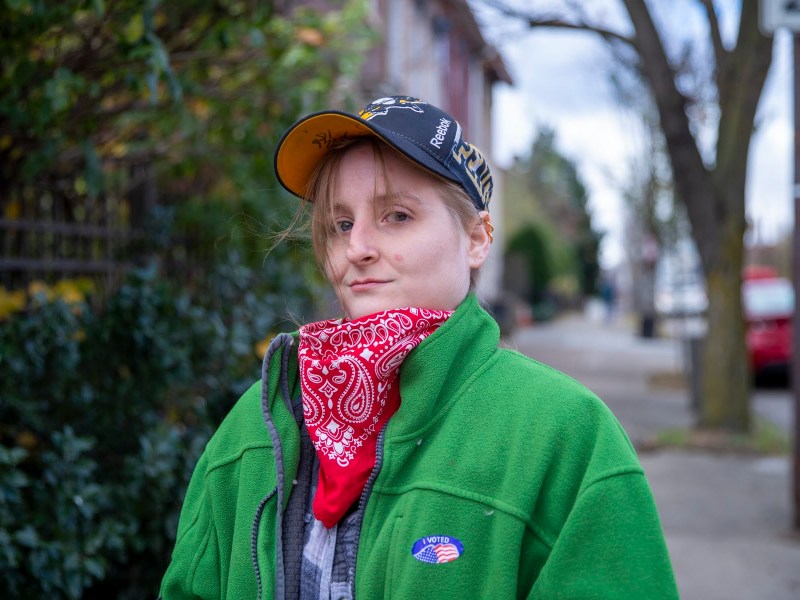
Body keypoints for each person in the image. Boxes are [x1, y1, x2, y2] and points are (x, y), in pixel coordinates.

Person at [159, 96, 678, 599]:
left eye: (397, 216)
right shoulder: (259, 424)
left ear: (476, 239)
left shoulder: (564, 435)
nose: (356, 248)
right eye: (341, 224)